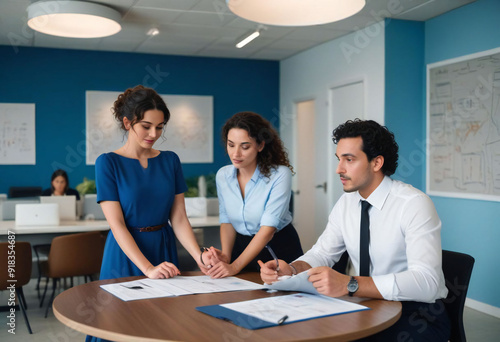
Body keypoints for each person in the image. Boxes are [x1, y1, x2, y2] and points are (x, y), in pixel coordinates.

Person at [259, 119, 450, 341]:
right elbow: (323, 253)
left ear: (376, 162)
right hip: (366, 304)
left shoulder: (413, 204)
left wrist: (349, 284)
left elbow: (426, 283)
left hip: (416, 313)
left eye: (349, 160)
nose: (339, 169)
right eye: (339, 159)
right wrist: (291, 270)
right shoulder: (347, 202)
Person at [207, 111, 303, 278]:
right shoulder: (223, 175)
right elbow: (227, 220)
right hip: (241, 248)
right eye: (231, 145)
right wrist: (227, 257)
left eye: (245, 147)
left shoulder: (280, 174)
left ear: (260, 145)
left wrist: (234, 266)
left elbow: (267, 229)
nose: (235, 154)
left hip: (277, 248)